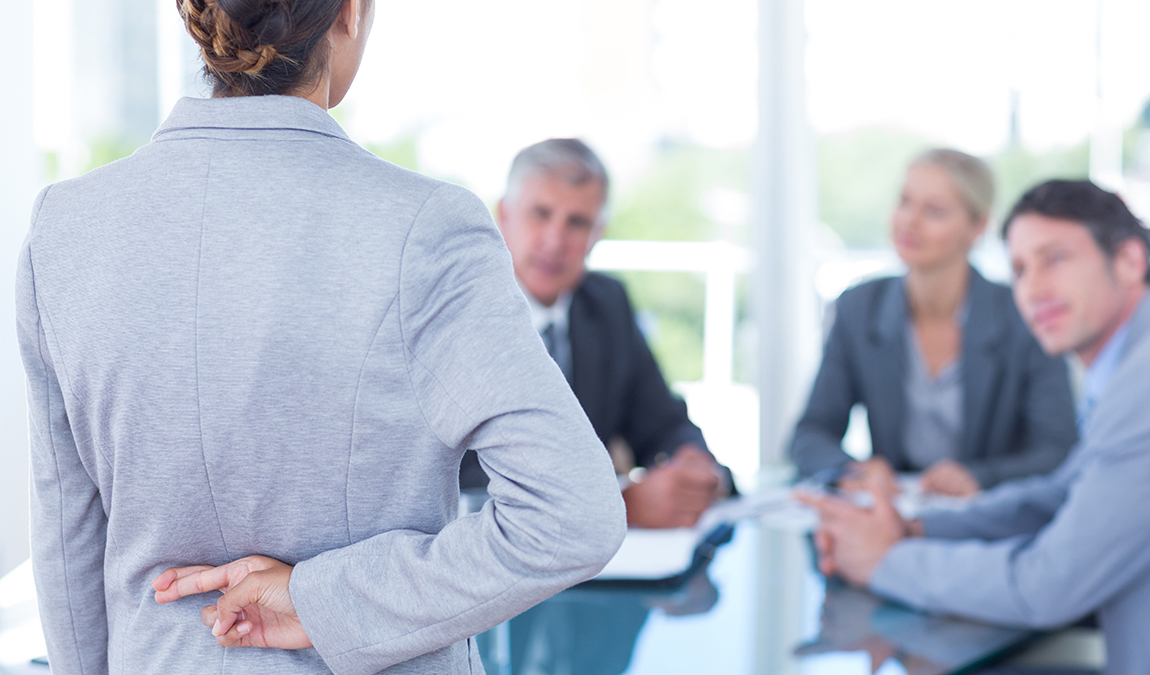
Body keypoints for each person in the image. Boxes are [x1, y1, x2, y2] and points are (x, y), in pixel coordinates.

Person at [16, 1, 626, 673]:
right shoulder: (428, 229)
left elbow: (68, 540)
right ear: (350, 14)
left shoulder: (63, 229)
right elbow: (572, 516)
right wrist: (318, 600)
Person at [801, 180, 1150, 675]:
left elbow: (1049, 585)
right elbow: (1062, 494)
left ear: (1129, 262)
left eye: (1055, 259)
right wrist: (920, 528)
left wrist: (886, 561)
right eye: (1019, 269)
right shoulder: (1148, 349)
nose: (1033, 289)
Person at [459, 138, 730, 529]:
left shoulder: (607, 304)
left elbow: (662, 421)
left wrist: (693, 467)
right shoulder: (458, 312)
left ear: (598, 233)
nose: (555, 241)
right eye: (541, 214)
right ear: (505, 215)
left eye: (577, 222)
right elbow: (460, 487)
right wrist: (617, 507)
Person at [790, 149, 1076, 497]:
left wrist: (981, 477)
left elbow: (1057, 450)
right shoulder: (858, 308)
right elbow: (811, 433)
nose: (909, 221)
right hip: (895, 515)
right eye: (905, 202)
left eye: (934, 211)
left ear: (977, 227)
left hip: (990, 521)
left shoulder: (1022, 314)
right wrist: (851, 471)